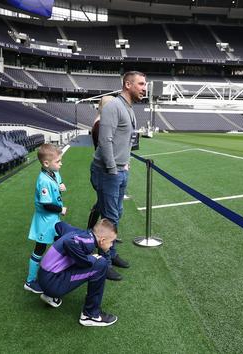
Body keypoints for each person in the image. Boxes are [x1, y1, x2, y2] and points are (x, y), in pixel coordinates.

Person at [90, 71, 147, 281]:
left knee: (116, 214)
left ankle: (110, 255)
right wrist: (114, 169)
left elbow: (126, 139)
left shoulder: (128, 108)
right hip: (107, 172)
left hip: (119, 170)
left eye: (145, 84)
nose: (144, 88)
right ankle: (102, 263)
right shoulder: (114, 106)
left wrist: (126, 162)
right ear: (128, 84)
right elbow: (105, 141)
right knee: (109, 218)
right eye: (140, 84)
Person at [37, 219, 118, 327]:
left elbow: (60, 225)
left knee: (86, 260)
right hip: (52, 283)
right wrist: (88, 260)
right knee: (101, 263)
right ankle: (90, 315)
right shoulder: (88, 242)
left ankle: (49, 296)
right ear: (102, 240)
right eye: (111, 241)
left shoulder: (80, 233)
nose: (112, 245)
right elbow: (68, 242)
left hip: (43, 277)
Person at [24, 144, 67, 294]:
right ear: (46, 163)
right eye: (58, 161)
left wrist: (61, 184)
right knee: (40, 249)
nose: (61, 163)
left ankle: (56, 271)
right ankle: (30, 281)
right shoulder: (43, 180)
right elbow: (46, 204)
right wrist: (61, 209)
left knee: (59, 244)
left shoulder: (52, 173)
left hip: (53, 219)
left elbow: (58, 178)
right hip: (45, 221)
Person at [87, 95, 114, 230]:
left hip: (101, 168)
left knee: (102, 203)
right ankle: (95, 233)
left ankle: (96, 232)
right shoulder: (100, 124)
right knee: (103, 204)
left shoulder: (101, 121)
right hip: (102, 169)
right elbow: (105, 148)